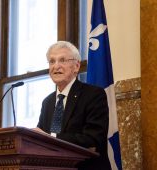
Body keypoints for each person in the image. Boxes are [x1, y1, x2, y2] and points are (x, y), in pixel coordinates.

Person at [35, 41, 111, 170]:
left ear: (76, 66)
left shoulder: (93, 95)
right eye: (52, 61)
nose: (56, 66)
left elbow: (93, 139)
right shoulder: (47, 102)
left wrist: (50, 137)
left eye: (62, 60)